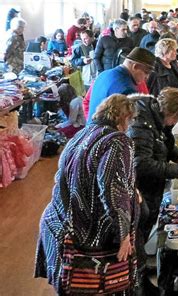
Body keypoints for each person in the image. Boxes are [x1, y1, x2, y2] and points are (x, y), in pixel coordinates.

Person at [34, 94, 139, 294]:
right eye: (130, 119)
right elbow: (112, 188)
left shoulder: (83, 134)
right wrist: (123, 233)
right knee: (93, 287)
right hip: (82, 236)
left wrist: (133, 190)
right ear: (122, 118)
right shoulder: (117, 141)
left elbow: (71, 175)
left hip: (58, 223)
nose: (130, 124)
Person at [127, 88, 178, 294]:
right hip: (141, 190)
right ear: (170, 112)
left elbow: (164, 141)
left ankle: (141, 280)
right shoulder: (142, 122)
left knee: (141, 240)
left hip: (150, 190)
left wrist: (176, 153)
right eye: (176, 118)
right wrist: (176, 170)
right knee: (136, 239)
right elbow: (141, 164)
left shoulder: (154, 119)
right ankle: (136, 285)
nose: (174, 123)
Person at [87, 47, 155, 121]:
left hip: (92, 129)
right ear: (135, 67)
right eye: (146, 73)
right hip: (107, 131)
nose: (147, 77)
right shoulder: (128, 89)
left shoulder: (103, 74)